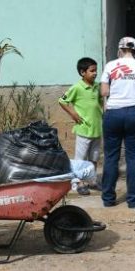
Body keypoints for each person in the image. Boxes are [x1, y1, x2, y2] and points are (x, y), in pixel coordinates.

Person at [100, 37, 135, 208]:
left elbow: (104, 91)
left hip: (113, 112)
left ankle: (108, 199)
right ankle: (133, 200)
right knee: (133, 158)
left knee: (111, 157)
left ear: (120, 49)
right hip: (134, 113)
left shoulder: (110, 66)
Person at [59, 57, 103, 195]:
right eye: (92, 71)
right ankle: (79, 182)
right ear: (82, 72)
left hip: (97, 129)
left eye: (96, 70)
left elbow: (101, 102)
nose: (95, 73)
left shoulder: (97, 86)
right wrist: (73, 114)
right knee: (81, 159)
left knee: (94, 157)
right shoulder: (77, 87)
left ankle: (92, 180)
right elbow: (62, 101)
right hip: (84, 129)